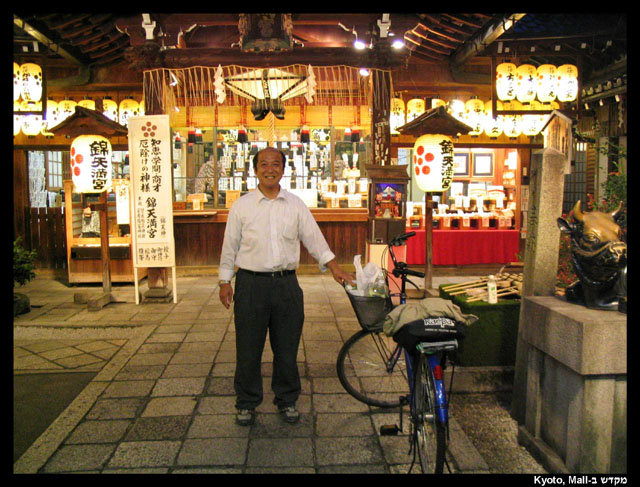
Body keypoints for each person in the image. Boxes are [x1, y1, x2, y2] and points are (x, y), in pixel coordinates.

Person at [218, 147, 354, 426]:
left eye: (276, 164)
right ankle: (246, 403)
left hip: (286, 286)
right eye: (264, 164)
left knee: (287, 348)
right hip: (250, 285)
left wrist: (335, 267)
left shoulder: (295, 205)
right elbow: (230, 246)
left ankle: (287, 399)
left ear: (283, 169)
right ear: (255, 170)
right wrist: (224, 281)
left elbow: (314, 238)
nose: (270, 169)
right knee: (248, 348)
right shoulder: (242, 206)